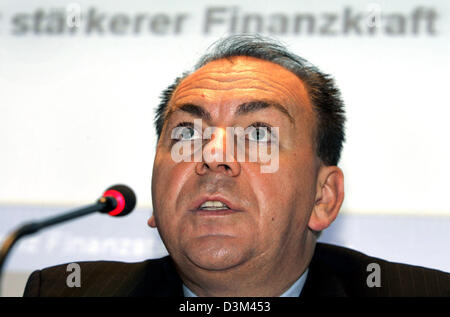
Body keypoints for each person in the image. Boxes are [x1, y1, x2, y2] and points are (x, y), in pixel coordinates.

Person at [23, 35, 449, 297]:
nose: (213, 156)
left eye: (258, 134)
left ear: (323, 198)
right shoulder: (65, 293)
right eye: (187, 134)